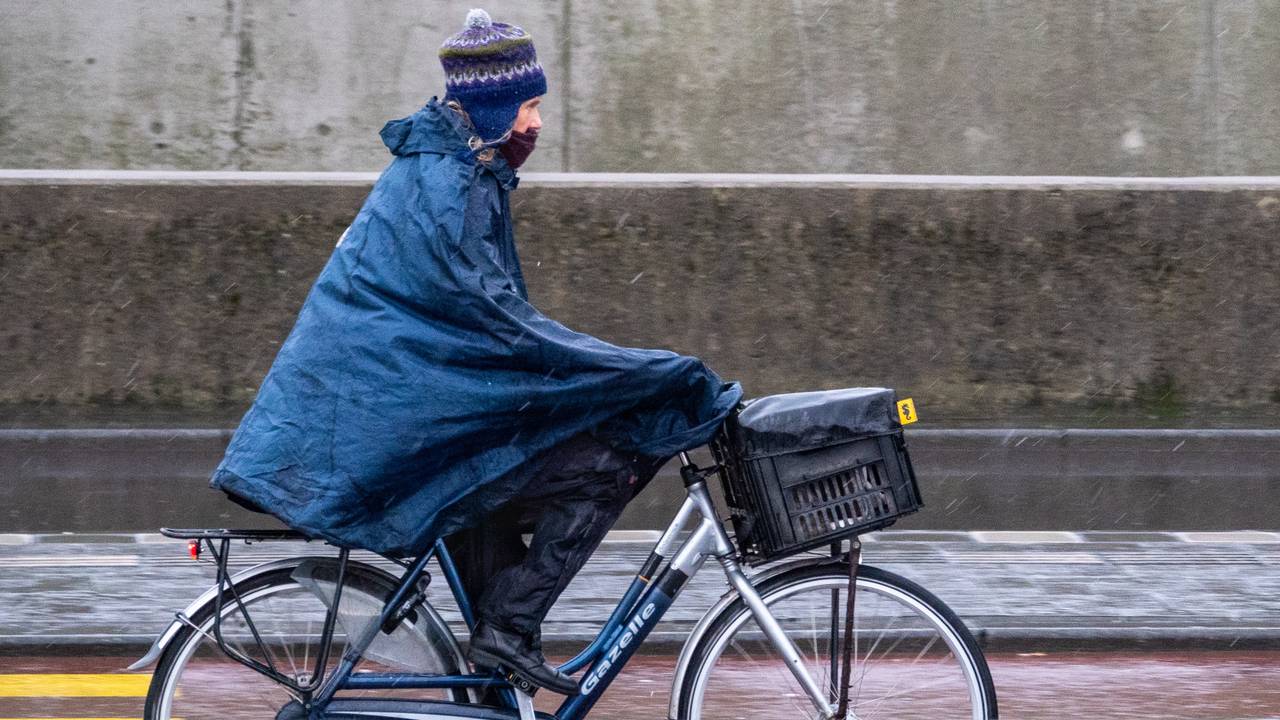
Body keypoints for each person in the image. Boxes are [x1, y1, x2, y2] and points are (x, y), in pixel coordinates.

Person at [210, 7, 742, 697]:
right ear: (491, 106)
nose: (537, 124)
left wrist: (610, 372)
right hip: (410, 431)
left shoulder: (453, 169)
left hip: (410, 420)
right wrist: (642, 373)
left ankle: (500, 655)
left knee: (513, 487)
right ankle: (508, 629)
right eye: (528, 105)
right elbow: (499, 327)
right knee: (608, 464)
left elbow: (490, 326)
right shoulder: (449, 188)